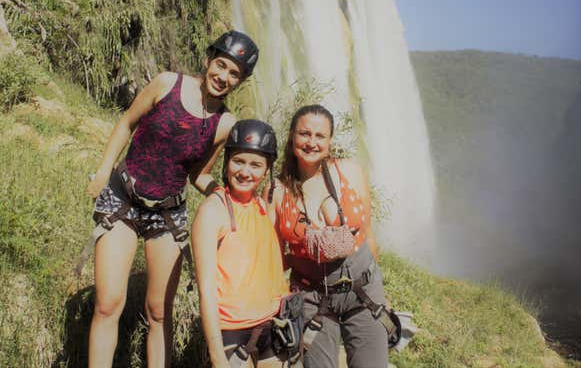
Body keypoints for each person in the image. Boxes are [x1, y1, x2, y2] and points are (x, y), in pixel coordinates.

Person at [83, 31, 258, 368]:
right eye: (221, 65)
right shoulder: (166, 84)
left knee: (159, 313)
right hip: (122, 199)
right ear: (208, 60)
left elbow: (199, 174)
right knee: (108, 304)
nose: (223, 77)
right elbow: (126, 123)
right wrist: (104, 170)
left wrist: (220, 192)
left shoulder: (225, 124)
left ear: (241, 81)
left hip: (166, 214)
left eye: (234, 73)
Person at [270, 104, 393, 368]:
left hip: (364, 292)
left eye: (320, 136)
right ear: (292, 136)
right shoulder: (278, 191)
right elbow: (275, 256)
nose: (311, 142)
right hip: (312, 298)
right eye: (304, 133)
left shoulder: (349, 171)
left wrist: (380, 290)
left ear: (330, 141)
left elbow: (368, 233)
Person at [192, 119, 289, 368]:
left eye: (256, 165)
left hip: (272, 323)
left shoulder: (264, 202)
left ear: (267, 171)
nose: (245, 172)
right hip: (232, 330)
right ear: (226, 162)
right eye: (238, 161)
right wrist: (217, 356)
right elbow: (206, 289)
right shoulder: (213, 210)